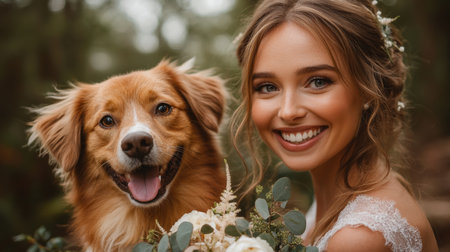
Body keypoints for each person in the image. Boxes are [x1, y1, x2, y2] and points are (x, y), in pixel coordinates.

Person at [230, 0, 439, 251]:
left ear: (369, 89)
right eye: (268, 87)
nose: (288, 111)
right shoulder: (346, 197)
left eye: (318, 82)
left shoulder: (359, 237)